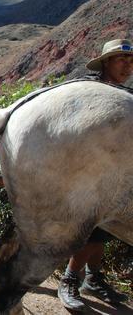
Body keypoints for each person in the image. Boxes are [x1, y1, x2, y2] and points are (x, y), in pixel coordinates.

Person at [57, 38, 133, 311]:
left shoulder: (125, 96)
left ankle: (92, 277)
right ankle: (69, 279)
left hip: (113, 173)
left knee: (105, 227)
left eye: (131, 61)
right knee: (94, 228)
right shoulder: (88, 90)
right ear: (106, 63)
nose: (128, 66)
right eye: (121, 60)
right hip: (85, 172)